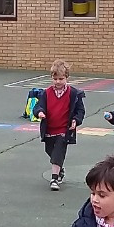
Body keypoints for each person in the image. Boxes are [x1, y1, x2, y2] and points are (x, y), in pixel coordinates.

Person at [35, 59, 85, 190]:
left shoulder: (74, 94)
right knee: (50, 151)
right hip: (49, 129)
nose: (58, 82)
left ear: (67, 78)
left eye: (61, 79)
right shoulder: (46, 93)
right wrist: (40, 112)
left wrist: (75, 120)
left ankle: (54, 179)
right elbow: (38, 106)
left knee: (58, 151)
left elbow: (80, 110)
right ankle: (60, 169)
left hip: (64, 129)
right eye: (55, 78)